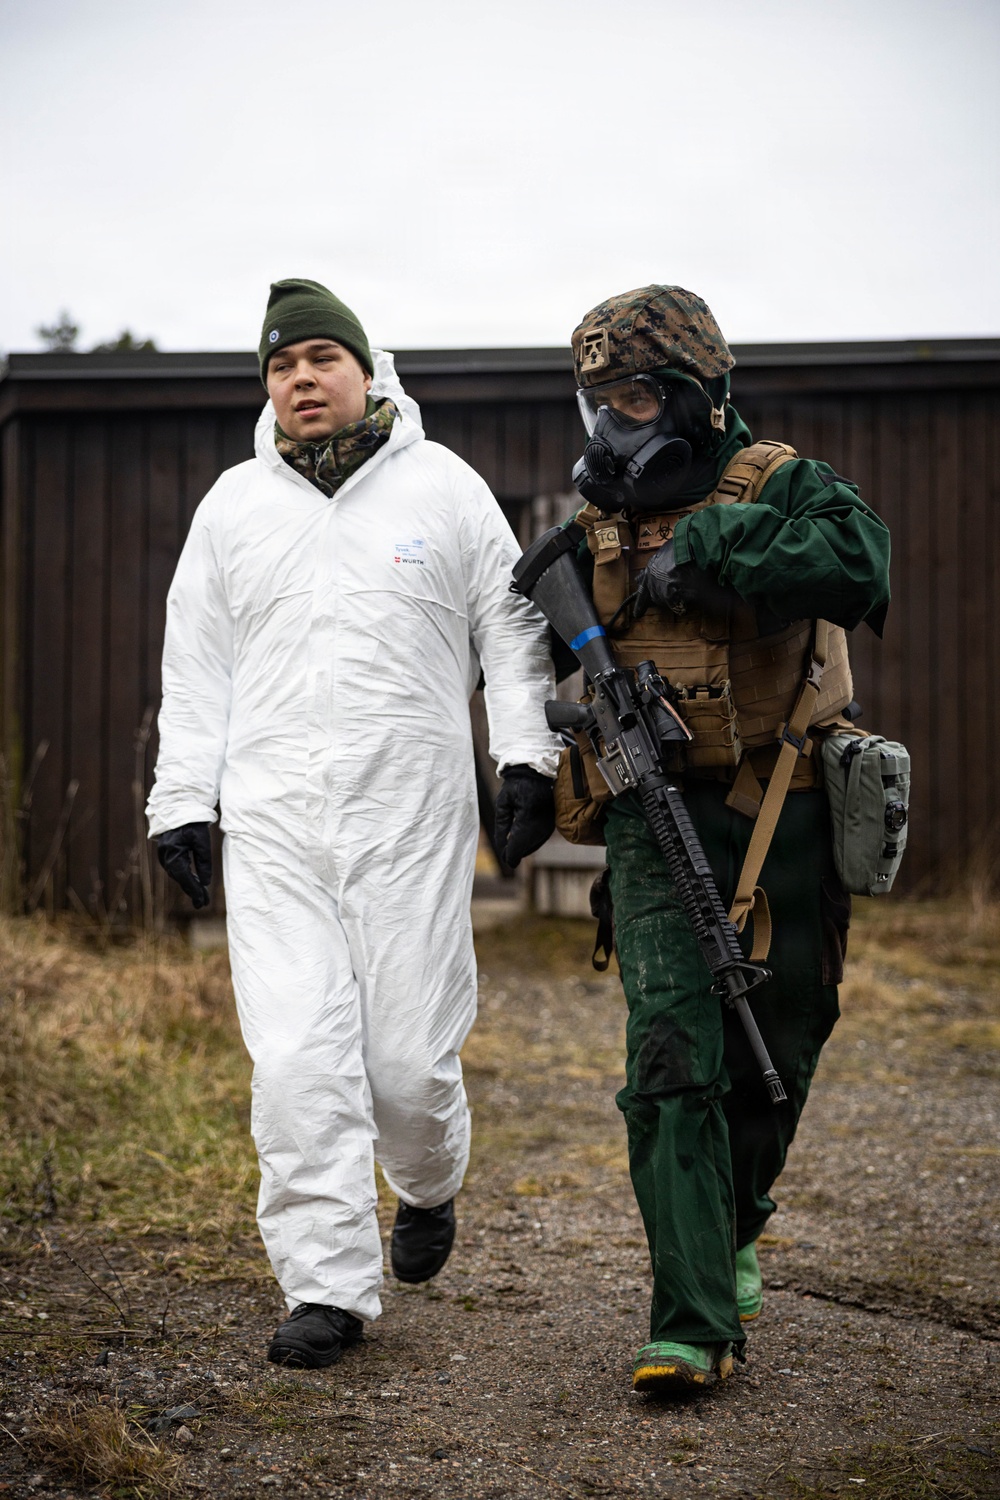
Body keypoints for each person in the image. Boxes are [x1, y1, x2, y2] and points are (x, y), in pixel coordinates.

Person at [147, 278, 559, 1368]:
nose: (300, 380)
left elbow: (511, 629)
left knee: (407, 1064)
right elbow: (196, 667)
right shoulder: (233, 506)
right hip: (276, 820)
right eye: (281, 366)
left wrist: (527, 755)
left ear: (366, 372)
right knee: (293, 1061)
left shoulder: (444, 489)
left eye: (320, 359)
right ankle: (327, 1286)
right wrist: (182, 799)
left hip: (409, 814)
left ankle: (428, 1182)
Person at [558, 285, 890, 1394]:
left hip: (782, 797)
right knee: (668, 1058)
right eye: (599, 400)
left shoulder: (778, 482)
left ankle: (735, 1224)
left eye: (641, 396)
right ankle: (689, 1322)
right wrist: (524, 765)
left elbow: (863, 565)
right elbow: (518, 643)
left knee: (783, 1044)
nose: (618, 423)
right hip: (650, 814)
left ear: (702, 398)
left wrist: (724, 550)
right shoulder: (590, 525)